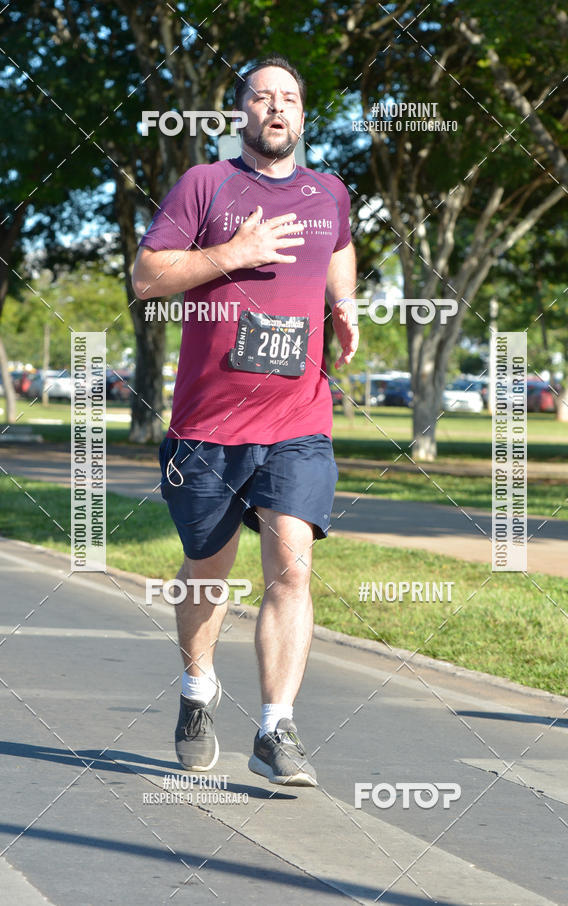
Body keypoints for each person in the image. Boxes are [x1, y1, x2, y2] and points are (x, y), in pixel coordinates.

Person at [132, 55, 358, 786]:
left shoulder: (330, 193)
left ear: (302, 114)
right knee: (208, 571)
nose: (278, 107)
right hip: (208, 425)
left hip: (297, 417)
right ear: (242, 112)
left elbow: (341, 248)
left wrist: (345, 306)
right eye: (263, 96)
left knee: (291, 563)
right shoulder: (206, 185)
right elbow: (146, 276)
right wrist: (234, 253)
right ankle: (198, 693)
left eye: (290, 97)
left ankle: (275, 729)